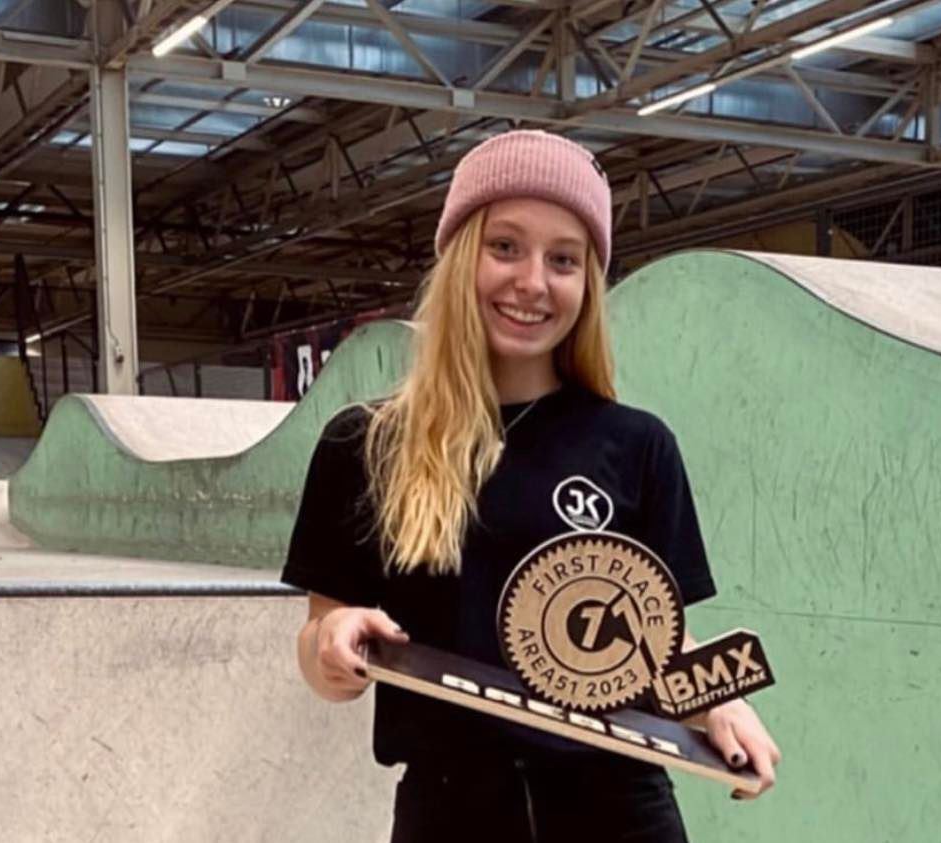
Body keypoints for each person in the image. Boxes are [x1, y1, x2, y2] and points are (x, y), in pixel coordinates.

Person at [281, 130, 780, 843]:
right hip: (450, 811)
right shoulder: (362, 447)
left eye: (564, 259)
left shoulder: (637, 446)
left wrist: (721, 706)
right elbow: (315, 641)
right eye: (505, 246)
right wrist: (329, 640)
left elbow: (653, 640)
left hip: (617, 806)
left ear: (588, 283)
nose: (532, 281)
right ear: (459, 259)